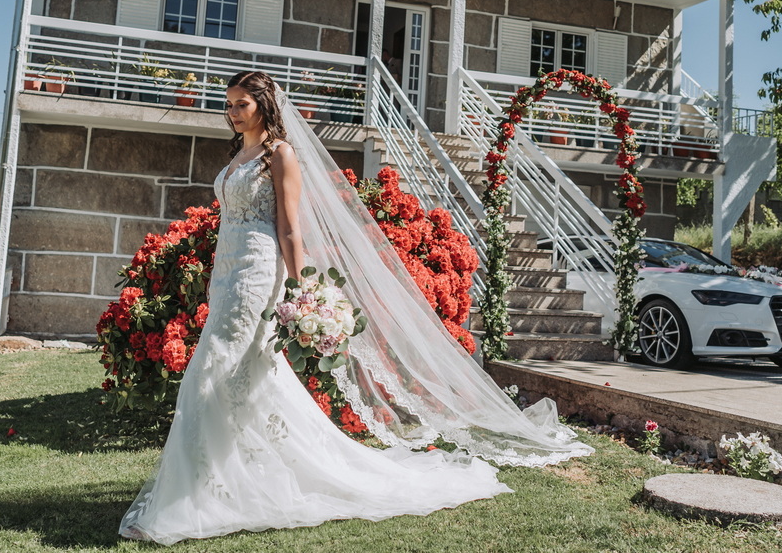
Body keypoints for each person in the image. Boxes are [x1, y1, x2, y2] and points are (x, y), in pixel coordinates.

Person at [120, 70, 591, 543]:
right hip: (227, 273)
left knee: (209, 371)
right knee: (250, 377)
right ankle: (232, 479)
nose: (233, 112)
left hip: (257, 274)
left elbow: (290, 227)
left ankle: (189, 497)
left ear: (264, 105)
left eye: (241, 103)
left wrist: (302, 290)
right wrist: (216, 277)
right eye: (229, 104)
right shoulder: (239, 154)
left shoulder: (280, 154)